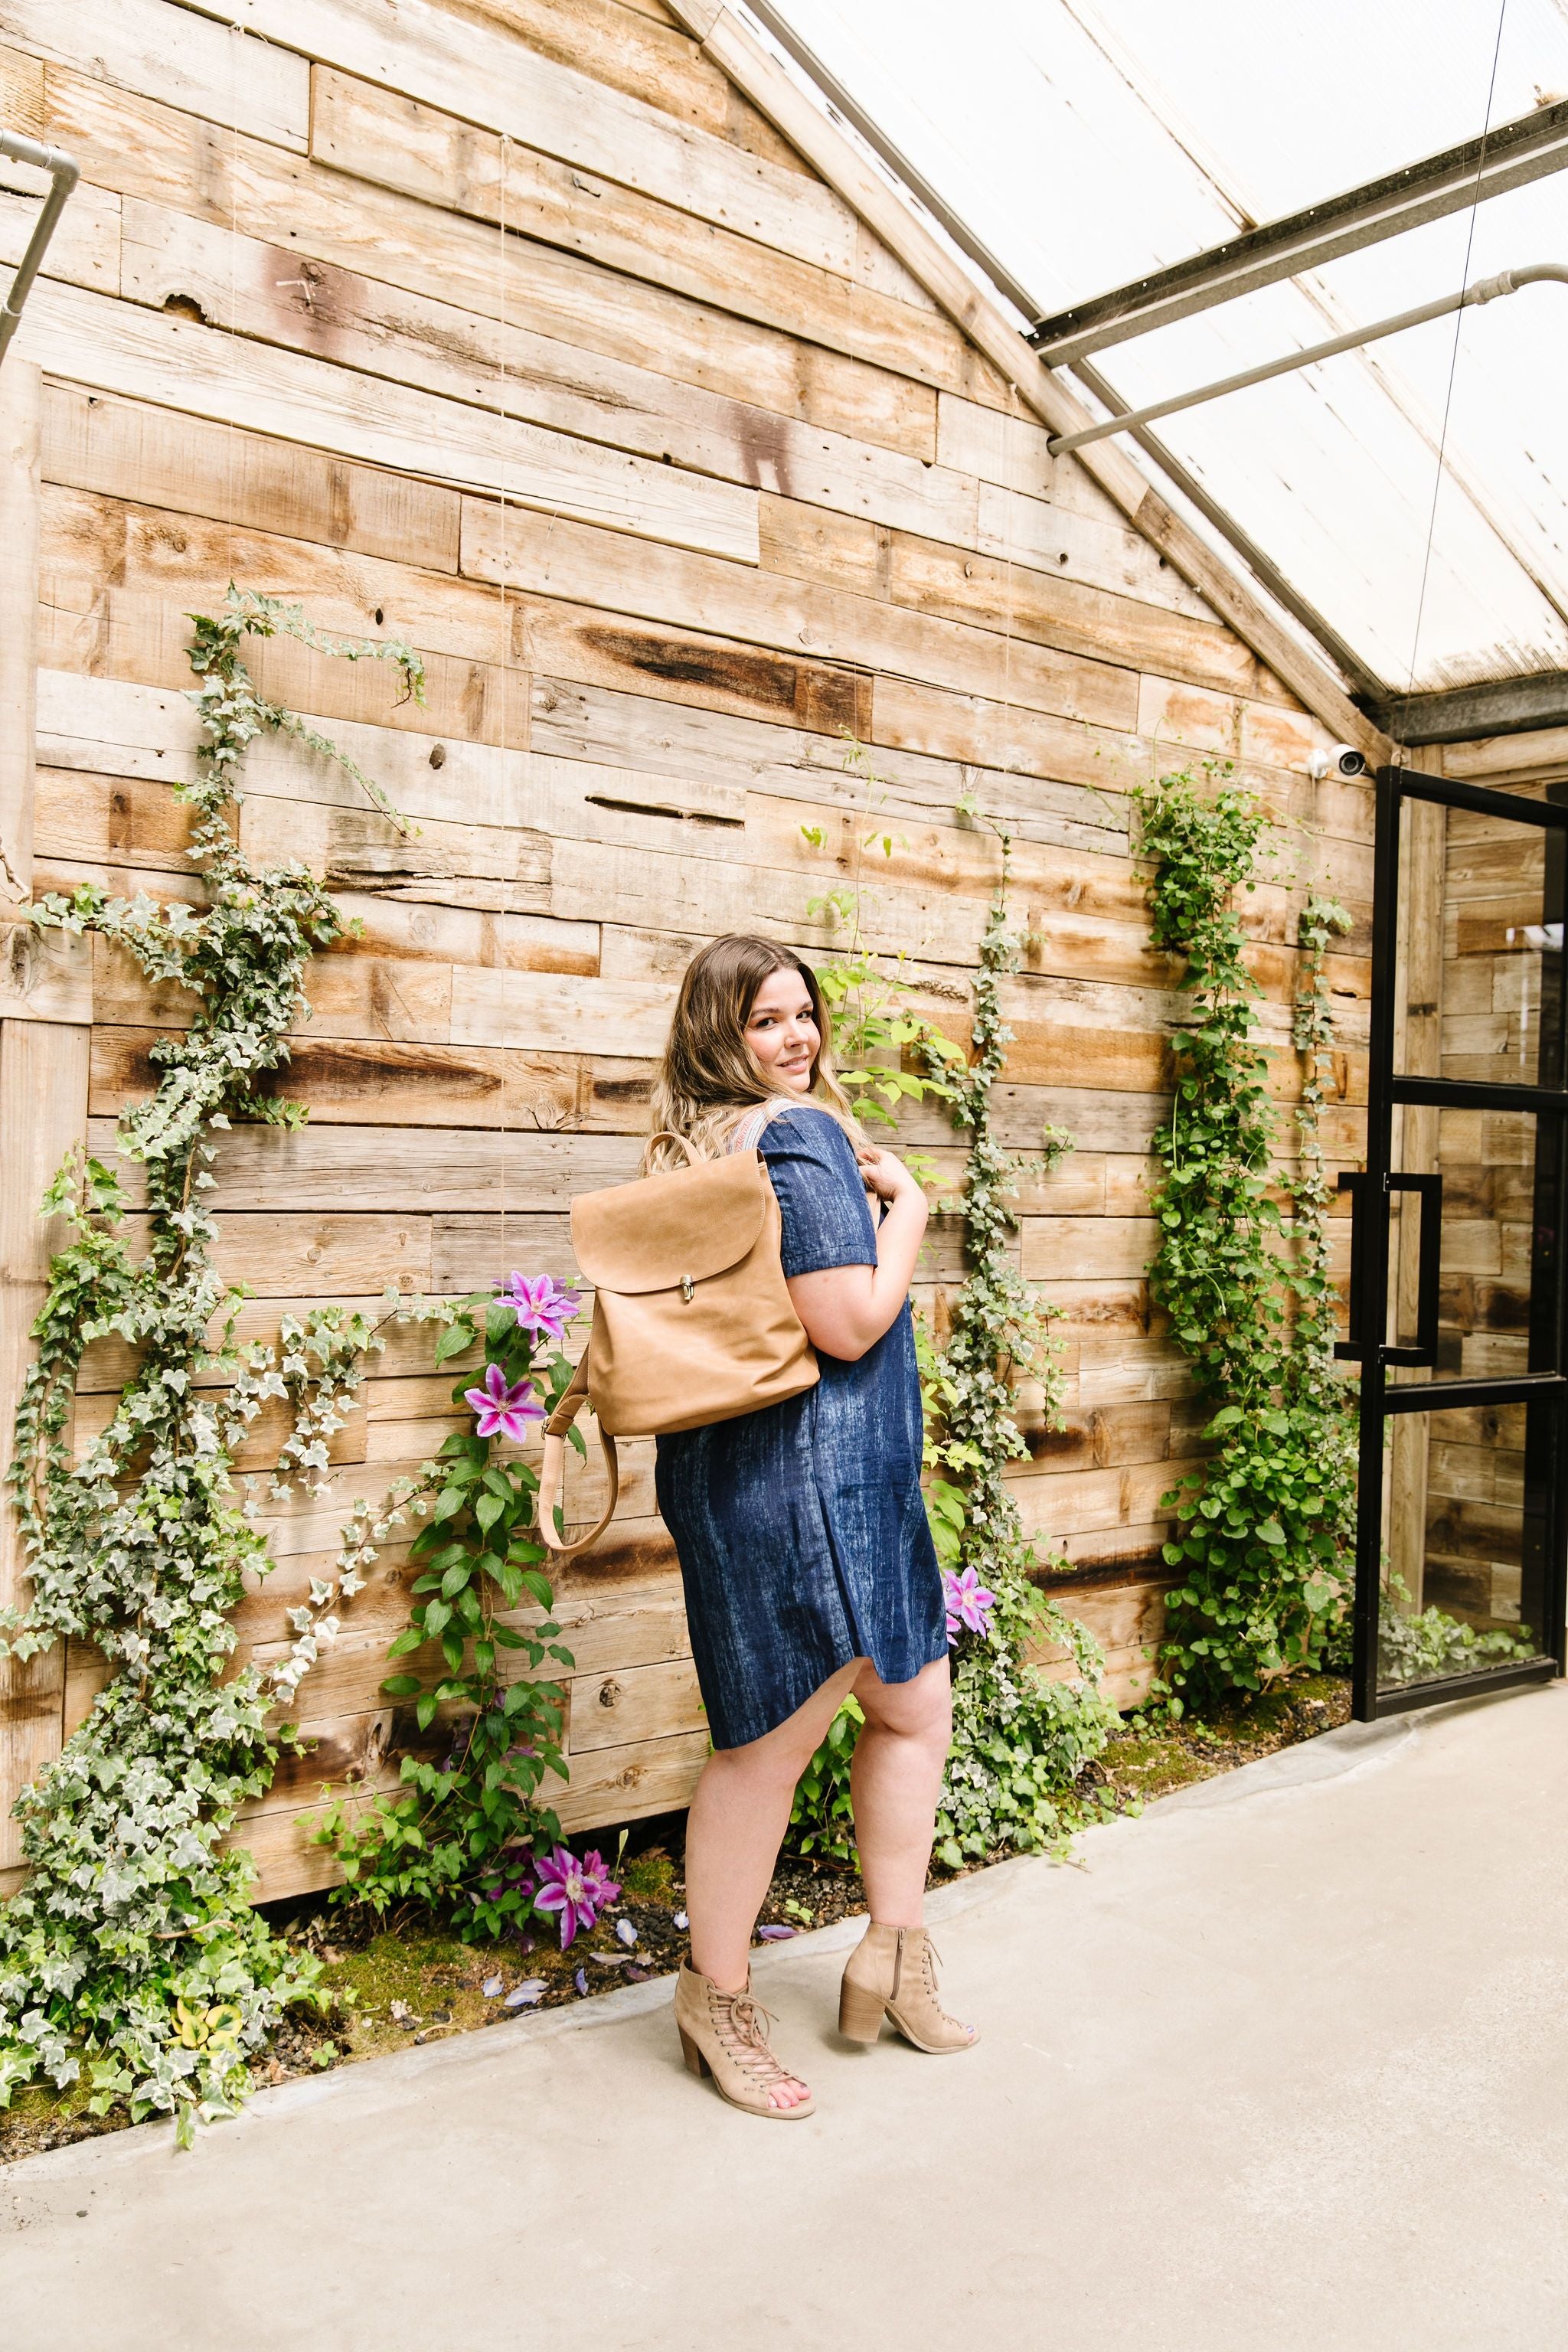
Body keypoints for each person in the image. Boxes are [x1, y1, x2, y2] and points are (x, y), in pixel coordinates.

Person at [649, 934, 978, 2123]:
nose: (797, 1039)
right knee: (766, 1750)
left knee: (912, 1700)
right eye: (765, 1023)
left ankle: (892, 1954)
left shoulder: (710, 1145)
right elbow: (849, 1322)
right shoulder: (794, 1136)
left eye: (804, 1015)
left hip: (809, 1479)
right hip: (807, 1489)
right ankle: (715, 1997)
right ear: (718, 1039)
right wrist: (914, 1212)